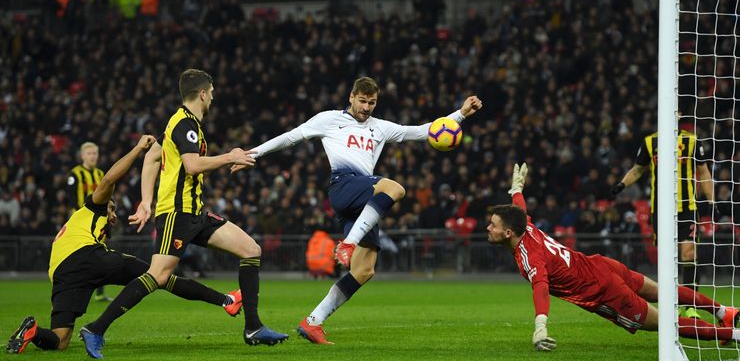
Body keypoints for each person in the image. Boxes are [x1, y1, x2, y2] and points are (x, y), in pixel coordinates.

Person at [236, 76, 482, 344]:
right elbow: (291, 137)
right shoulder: (329, 119)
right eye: (362, 101)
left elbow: (424, 131)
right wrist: (253, 154)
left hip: (364, 200)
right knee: (395, 189)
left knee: (364, 270)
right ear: (351, 97)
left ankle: (313, 322)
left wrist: (460, 115)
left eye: (372, 102)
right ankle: (348, 244)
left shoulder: (380, 128)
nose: (366, 107)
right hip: (343, 185)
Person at [80, 69, 287, 359]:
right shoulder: (185, 124)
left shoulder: (181, 124)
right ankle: (96, 328)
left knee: (251, 249)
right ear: (202, 93)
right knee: (158, 275)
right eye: (212, 92)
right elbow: (191, 166)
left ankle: (253, 328)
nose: (213, 97)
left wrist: (145, 201)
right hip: (176, 214)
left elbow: (152, 157)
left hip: (195, 213)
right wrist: (230, 155)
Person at [6, 135, 243, 355]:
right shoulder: (93, 207)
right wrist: (138, 149)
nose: (113, 215)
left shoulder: (77, 224)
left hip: (61, 273)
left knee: (61, 340)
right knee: (159, 276)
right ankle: (226, 300)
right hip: (85, 255)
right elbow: (109, 179)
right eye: (112, 208)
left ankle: (33, 331)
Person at [487, 163, 740, 351]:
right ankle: (724, 311)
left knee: (666, 325)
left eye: (493, 225)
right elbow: (520, 210)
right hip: (601, 264)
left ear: (508, 232)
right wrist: (516, 190)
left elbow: (541, 288)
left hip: (603, 290)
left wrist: (540, 325)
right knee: (663, 292)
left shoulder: (528, 255)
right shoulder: (527, 228)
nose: (488, 227)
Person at [611, 128, 715, 316]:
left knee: (689, 252)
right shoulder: (650, 142)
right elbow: (638, 169)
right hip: (661, 210)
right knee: (667, 257)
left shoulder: (691, 141)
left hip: (687, 207)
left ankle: (690, 305)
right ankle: (671, 304)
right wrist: (622, 184)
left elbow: (704, 171)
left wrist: (711, 199)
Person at [67, 142, 110, 302]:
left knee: (100, 252)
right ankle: (73, 289)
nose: (93, 156)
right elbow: (71, 198)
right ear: (82, 156)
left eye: (95, 153)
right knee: (79, 255)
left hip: (99, 220)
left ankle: (99, 292)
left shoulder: (100, 173)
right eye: (89, 153)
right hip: (80, 221)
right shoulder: (75, 174)